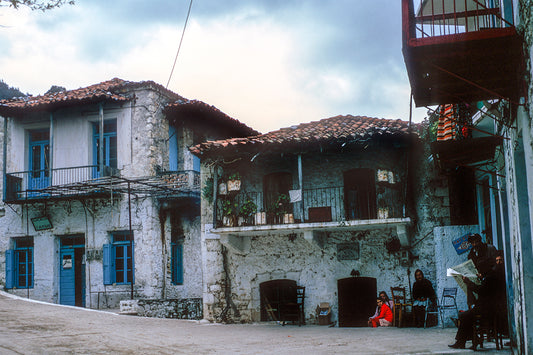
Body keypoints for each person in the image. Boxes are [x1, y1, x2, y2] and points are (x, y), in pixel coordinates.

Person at [448, 251, 507, 349]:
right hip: (488, 307)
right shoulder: (490, 276)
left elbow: (480, 290)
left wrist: (468, 282)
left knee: (463, 316)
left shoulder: (490, 278)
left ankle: (463, 341)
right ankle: (469, 340)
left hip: (487, 309)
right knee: (466, 316)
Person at [466, 233, 497, 308]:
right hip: (479, 283)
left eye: (476, 242)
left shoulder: (489, 249)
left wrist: (485, 274)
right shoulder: (471, 254)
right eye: (472, 243)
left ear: (480, 241)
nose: (474, 244)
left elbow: (496, 266)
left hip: (490, 282)